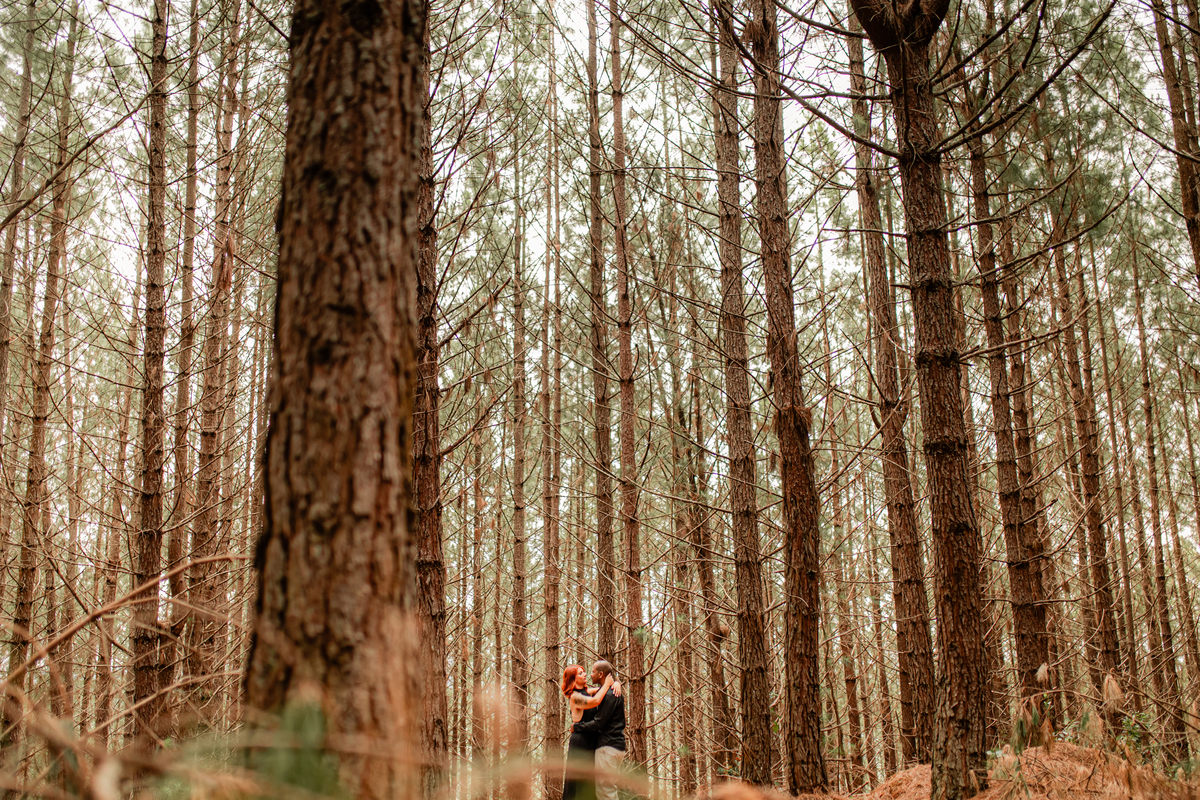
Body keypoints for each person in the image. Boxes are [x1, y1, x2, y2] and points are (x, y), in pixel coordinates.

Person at [561, 664, 619, 800]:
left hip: (590, 741)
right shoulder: (575, 697)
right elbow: (595, 701)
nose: (585, 674)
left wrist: (616, 683)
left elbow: (600, 691)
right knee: (581, 782)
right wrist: (608, 684)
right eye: (580, 674)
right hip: (581, 743)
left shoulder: (585, 692)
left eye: (584, 672)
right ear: (573, 680)